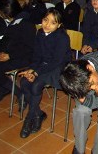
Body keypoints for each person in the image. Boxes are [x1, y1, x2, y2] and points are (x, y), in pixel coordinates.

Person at [18, 8, 71, 138]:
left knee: (36, 86)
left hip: (58, 68)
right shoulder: (40, 33)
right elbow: (36, 56)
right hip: (42, 66)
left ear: (59, 25)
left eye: (53, 22)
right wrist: (31, 69)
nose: (47, 24)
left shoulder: (62, 37)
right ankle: (38, 114)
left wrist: (36, 73)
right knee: (24, 82)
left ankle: (28, 120)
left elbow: (56, 62)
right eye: (45, 20)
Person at [60, 50, 98, 154]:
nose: (92, 87)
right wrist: (89, 97)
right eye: (89, 87)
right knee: (80, 111)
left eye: (91, 83)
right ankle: (79, 148)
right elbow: (81, 95)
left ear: (90, 68)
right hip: (88, 95)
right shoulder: (75, 74)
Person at [0, 0, 36, 105]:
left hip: (23, 56)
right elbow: (6, 41)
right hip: (8, 54)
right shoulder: (12, 22)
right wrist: (0, 52)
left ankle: (19, 94)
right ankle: (6, 89)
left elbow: (29, 47)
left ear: (5, 13)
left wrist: (10, 55)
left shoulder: (26, 23)